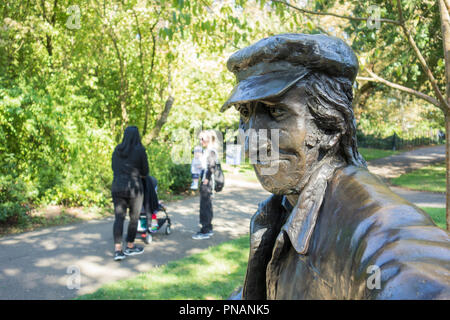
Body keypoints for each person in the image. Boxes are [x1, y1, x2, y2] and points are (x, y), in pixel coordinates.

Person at [221, 33, 450, 299]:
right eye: (245, 114)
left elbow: (415, 267)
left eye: (276, 112)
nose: (251, 144)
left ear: (330, 126)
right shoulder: (282, 206)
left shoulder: (373, 225)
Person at [111, 126, 148, 261]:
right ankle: (130, 246)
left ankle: (118, 250)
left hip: (117, 186)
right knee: (134, 218)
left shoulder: (117, 150)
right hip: (134, 188)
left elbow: (113, 167)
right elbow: (145, 172)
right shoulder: (140, 150)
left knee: (119, 218)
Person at [192, 130, 218, 240]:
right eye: (200, 139)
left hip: (207, 182)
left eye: (202, 139)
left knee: (205, 206)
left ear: (208, 139)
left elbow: (212, 166)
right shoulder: (208, 150)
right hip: (206, 181)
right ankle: (208, 228)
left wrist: (206, 179)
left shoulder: (211, 151)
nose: (201, 141)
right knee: (207, 205)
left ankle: (205, 230)